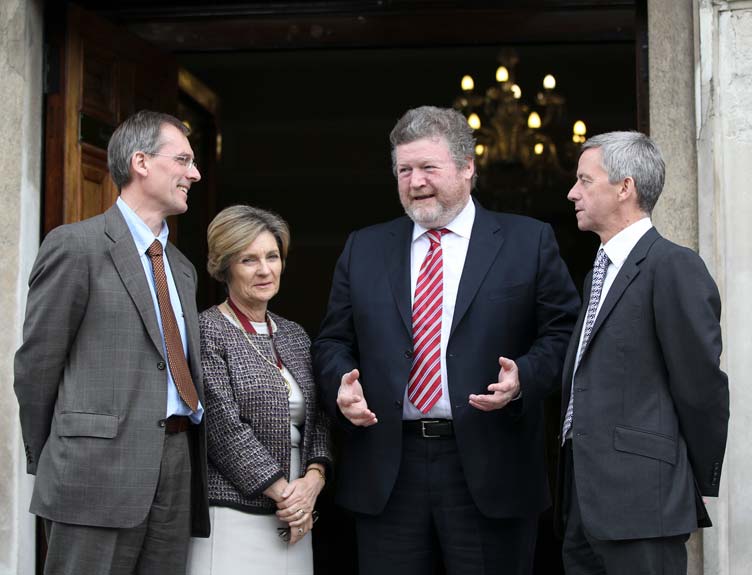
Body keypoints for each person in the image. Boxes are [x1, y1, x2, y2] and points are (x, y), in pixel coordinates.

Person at [312, 105, 580, 575]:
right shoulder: (365, 247)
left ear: (467, 167)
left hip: (491, 465)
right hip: (389, 470)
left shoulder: (527, 241)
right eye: (404, 170)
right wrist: (340, 385)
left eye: (428, 168)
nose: (415, 181)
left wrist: (525, 378)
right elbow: (333, 339)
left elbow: (565, 334)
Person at [13, 110, 209, 574]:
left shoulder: (182, 268)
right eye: (183, 159)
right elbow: (36, 368)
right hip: (91, 473)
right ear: (141, 162)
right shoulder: (75, 246)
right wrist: (63, 458)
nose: (195, 174)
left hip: (176, 466)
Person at [556, 131, 730, 575]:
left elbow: (701, 386)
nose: (572, 192)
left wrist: (691, 478)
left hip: (643, 504)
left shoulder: (673, 265)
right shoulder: (598, 271)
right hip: (584, 503)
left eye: (584, 180)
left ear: (624, 188)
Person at [188, 205, 332, 575]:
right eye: (249, 260)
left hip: (297, 515)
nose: (265, 269)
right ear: (225, 267)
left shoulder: (296, 335)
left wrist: (314, 481)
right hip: (236, 513)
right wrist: (286, 495)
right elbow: (223, 429)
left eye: (272, 256)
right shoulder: (207, 331)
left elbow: (319, 420)